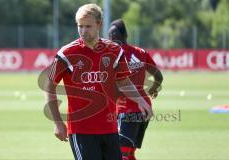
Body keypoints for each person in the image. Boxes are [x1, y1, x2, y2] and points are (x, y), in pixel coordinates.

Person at [44, 4, 153, 160]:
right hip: (81, 130)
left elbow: (123, 81)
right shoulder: (66, 53)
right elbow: (49, 86)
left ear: (99, 24)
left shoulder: (115, 51)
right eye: (80, 26)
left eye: (88, 26)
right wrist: (58, 122)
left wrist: (141, 100)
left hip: (110, 128)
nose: (83, 31)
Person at [108, 19, 163, 160]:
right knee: (130, 153)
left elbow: (117, 87)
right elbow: (158, 76)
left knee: (121, 155)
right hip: (145, 108)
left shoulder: (113, 55)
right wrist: (154, 89)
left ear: (111, 38)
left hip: (126, 110)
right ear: (125, 36)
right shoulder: (141, 52)